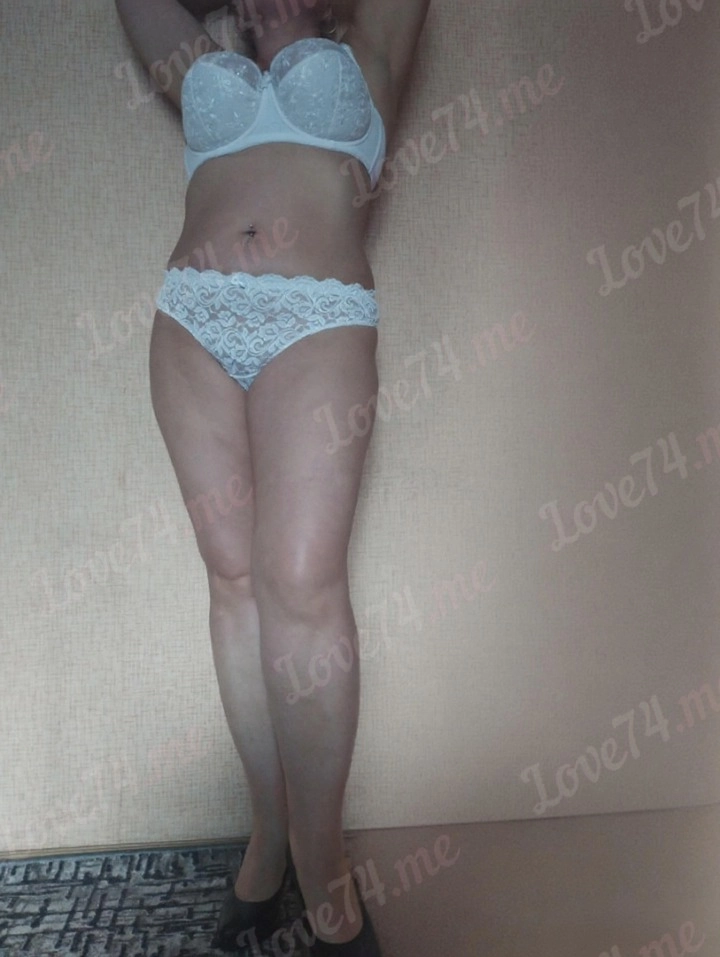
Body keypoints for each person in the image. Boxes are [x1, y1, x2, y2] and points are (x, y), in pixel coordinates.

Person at [113, 0, 430, 952]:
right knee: (237, 580)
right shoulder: (203, 61)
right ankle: (266, 830)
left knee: (304, 586)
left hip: (318, 319)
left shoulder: (367, 51)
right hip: (192, 317)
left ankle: (322, 858)